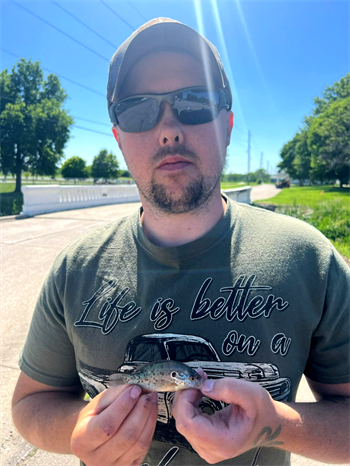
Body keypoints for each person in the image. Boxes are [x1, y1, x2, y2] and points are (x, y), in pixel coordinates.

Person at [12, 17, 350, 466]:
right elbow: (30, 405)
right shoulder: (76, 268)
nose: (168, 128)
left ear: (227, 126)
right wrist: (78, 431)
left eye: (194, 101)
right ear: (119, 138)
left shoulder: (310, 260)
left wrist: (278, 427)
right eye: (138, 109)